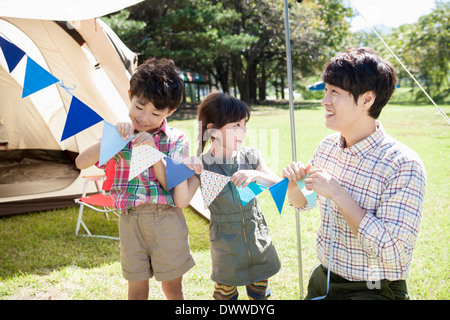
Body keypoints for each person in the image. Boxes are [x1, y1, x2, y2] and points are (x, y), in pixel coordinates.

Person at [283, 48, 426, 300]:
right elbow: (304, 204)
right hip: (324, 279)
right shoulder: (328, 146)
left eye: (335, 92)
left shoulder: (403, 164)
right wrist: (294, 186)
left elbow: (392, 252)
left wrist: (338, 193)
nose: (324, 101)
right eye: (326, 90)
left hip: (374, 288)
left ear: (367, 100)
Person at [75, 57, 195, 300]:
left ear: (170, 112)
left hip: (167, 221)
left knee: (172, 287)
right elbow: (80, 162)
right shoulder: (120, 135)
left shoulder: (176, 139)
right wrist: (109, 139)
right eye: (139, 107)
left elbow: (171, 185)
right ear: (130, 95)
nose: (144, 117)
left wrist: (153, 152)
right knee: (137, 287)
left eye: (155, 112)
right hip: (130, 221)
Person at [177, 92, 281, 300]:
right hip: (226, 246)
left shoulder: (251, 157)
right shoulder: (202, 165)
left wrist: (256, 174)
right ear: (212, 130)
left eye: (244, 124)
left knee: (260, 294)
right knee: (225, 296)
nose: (242, 132)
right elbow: (182, 201)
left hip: (258, 239)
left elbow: (279, 185)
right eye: (235, 125)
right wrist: (182, 170)